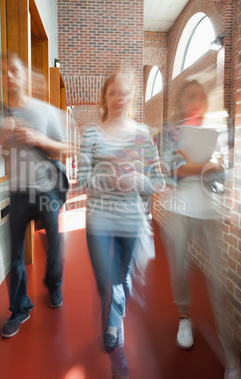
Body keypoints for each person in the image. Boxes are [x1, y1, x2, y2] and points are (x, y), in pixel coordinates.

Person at [77, 71, 164, 378]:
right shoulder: (90, 134)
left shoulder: (142, 134)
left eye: (126, 92)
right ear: (105, 96)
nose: (120, 98)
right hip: (98, 220)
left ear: (133, 97)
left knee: (119, 283)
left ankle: (117, 351)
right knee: (108, 284)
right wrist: (108, 178)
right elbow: (82, 181)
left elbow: (158, 181)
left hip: (130, 222)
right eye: (114, 92)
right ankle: (119, 358)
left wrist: (134, 180)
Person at [160, 79, 240, 379]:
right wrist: (205, 166)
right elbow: (170, 170)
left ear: (206, 100)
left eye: (199, 95)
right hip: (179, 210)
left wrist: (198, 165)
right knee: (178, 270)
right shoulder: (172, 131)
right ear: (182, 101)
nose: (195, 100)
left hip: (211, 211)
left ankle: (232, 357)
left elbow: (224, 173)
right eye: (189, 96)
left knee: (219, 283)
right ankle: (184, 317)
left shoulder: (218, 132)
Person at [0, 53, 69, 338]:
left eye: (14, 70)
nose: (9, 77)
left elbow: (64, 149)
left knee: (54, 245)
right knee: (14, 254)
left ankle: (54, 284)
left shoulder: (46, 111)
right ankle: (19, 308)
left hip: (47, 189)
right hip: (18, 193)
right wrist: (3, 138)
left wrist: (38, 139)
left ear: (24, 74)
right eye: (3, 72)